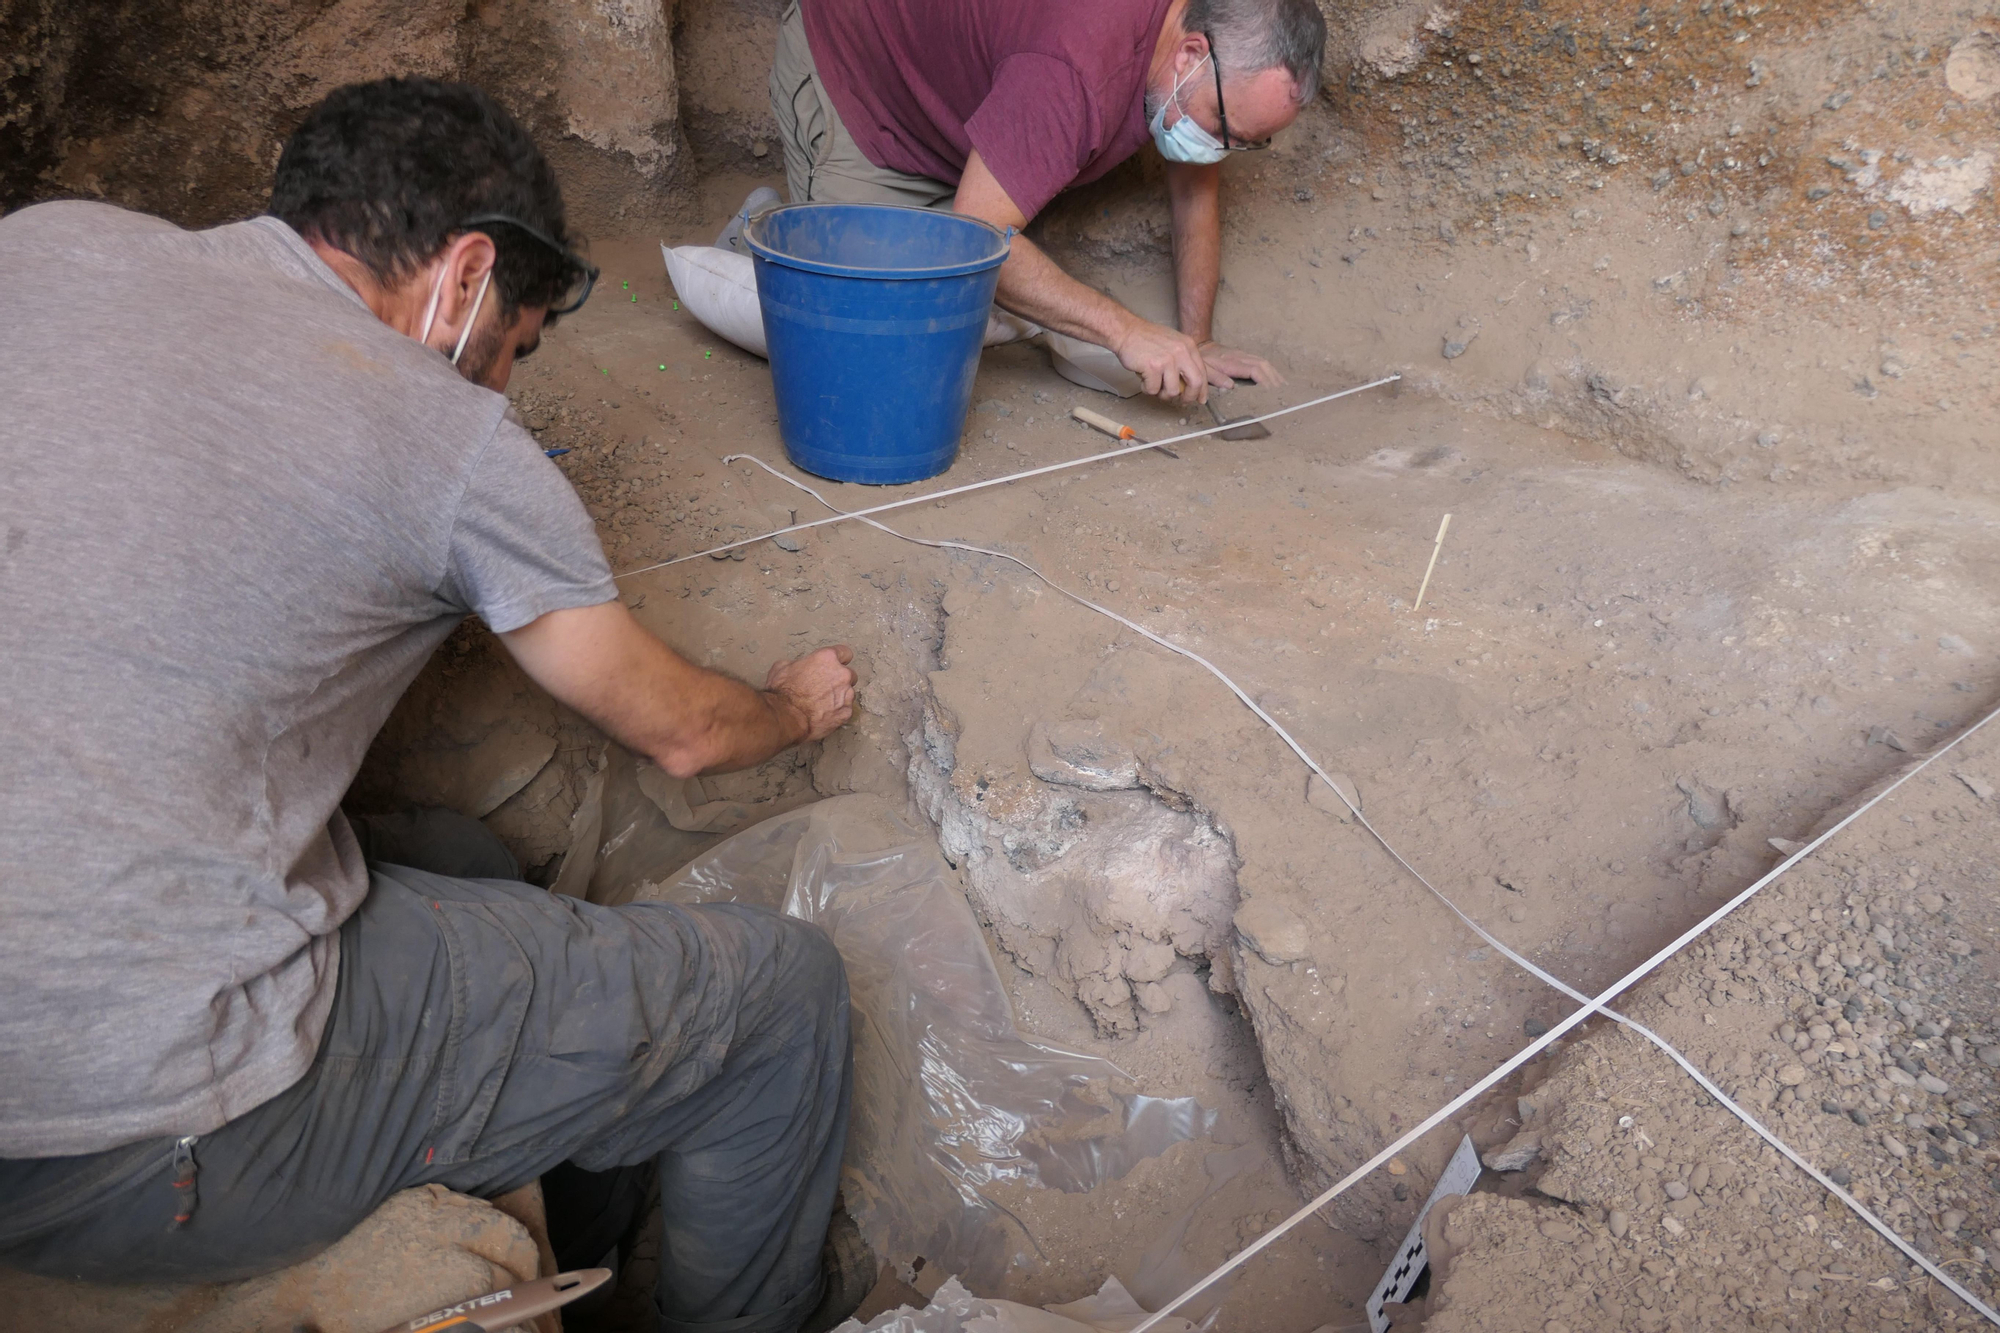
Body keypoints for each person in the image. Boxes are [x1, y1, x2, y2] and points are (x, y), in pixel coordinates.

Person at [0, 77, 868, 1333]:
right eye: (512, 352)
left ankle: (579, 1213)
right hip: (119, 1134)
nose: (499, 391)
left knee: (467, 858)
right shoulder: (441, 435)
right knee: (777, 997)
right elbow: (680, 731)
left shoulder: (47, 244)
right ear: (463, 276)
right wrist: (788, 707)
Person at [750, 0, 1325, 405]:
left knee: (980, 285)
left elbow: (1193, 183)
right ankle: (760, 233)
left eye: (1243, 143)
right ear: (1191, 52)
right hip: (864, 83)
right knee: (874, 358)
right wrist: (1125, 331)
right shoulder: (1074, 67)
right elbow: (975, 236)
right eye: (1222, 126)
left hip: (971, 103)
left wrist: (1198, 342)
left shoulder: (1196, 44)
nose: (1217, 150)